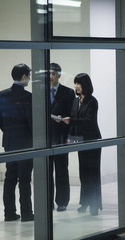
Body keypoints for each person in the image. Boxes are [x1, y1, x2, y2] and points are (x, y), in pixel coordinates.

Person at [0, 63, 34, 222]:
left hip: (9, 142)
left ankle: (9, 213)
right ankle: (26, 213)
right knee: (25, 179)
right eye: (29, 77)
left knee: (10, 178)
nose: (29, 80)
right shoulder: (28, 96)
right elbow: (31, 121)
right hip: (25, 142)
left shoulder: (2, 94)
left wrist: (9, 132)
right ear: (24, 77)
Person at [62, 73, 102, 216]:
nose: (76, 86)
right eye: (75, 83)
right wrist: (69, 137)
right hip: (81, 141)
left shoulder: (92, 101)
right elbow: (73, 119)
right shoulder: (75, 101)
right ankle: (85, 202)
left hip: (92, 140)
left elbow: (88, 121)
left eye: (78, 83)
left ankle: (94, 205)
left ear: (85, 85)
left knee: (93, 173)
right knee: (83, 173)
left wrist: (70, 121)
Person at [49, 63, 75, 212]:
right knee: (46, 172)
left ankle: (62, 202)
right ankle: (47, 201)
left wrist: (69, 137)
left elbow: (73, 116)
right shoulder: (40, 92)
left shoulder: (68, 93)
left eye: (53, 74)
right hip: (45, 139)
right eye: (48, 74)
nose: (50, 77)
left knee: (61, 171)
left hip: (61, 138)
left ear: (59, 75)